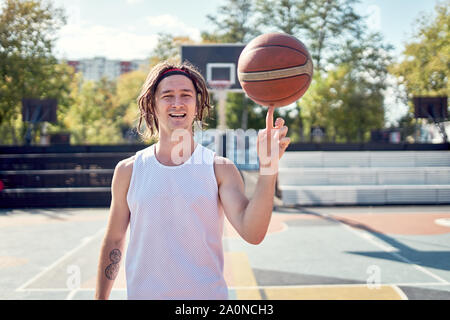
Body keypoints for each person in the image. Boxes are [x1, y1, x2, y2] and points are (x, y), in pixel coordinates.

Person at [94, 61, 291, 300]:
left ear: (197, 106)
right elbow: (114, 240)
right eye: (167, 95)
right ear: (151, 104)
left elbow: (253, 233)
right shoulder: (129, 171)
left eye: (185, 95)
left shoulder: (220, 169)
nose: (177, 103)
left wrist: (269, 167)